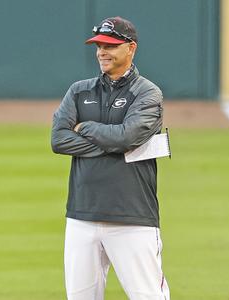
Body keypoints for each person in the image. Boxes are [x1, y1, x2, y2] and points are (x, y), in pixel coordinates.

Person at [51, 16, 169, 299]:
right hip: (82, 216)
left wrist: (86, 128)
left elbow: (127, 137)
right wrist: (111, 143)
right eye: (99, 46)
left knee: (148, 296)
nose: (102, 51)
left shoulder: (148, 93)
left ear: (131, 48)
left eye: (110, 45)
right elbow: (58, 140)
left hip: (132, 217)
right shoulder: (79, 91)